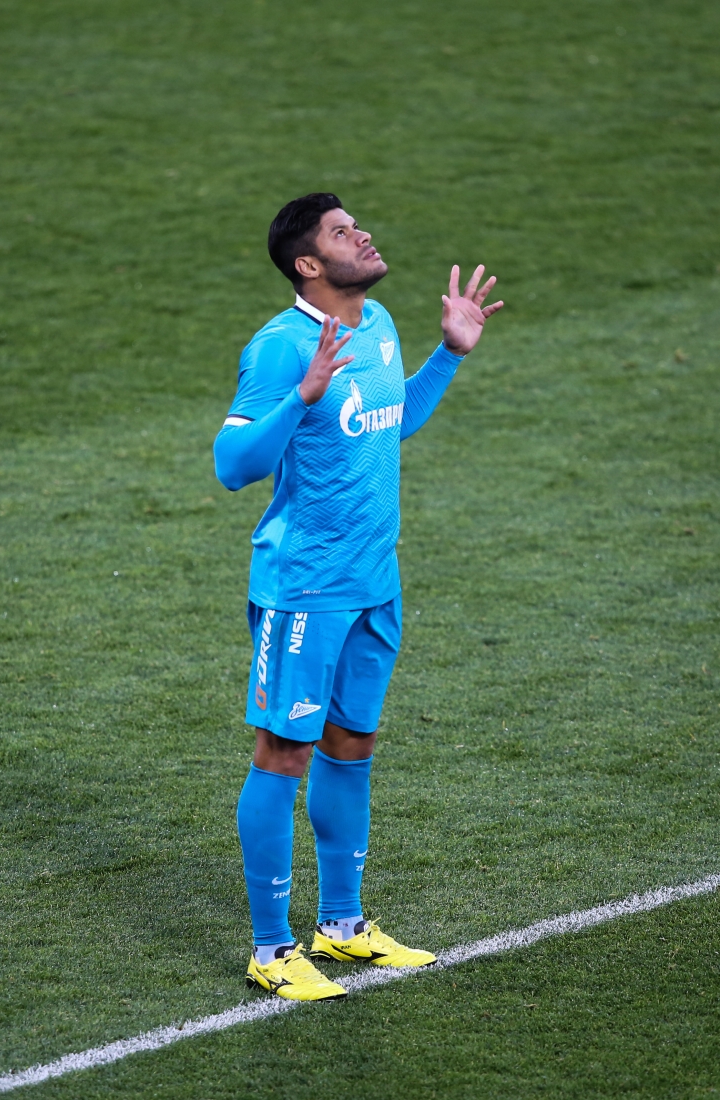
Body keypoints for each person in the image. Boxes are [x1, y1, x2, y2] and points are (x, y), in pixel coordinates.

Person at [212, 193, 503, 1000]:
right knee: (285, 751)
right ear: (309, 263)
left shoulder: (376, 324)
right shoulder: (280, 348)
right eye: (342, 232)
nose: (362, 233)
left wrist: (449, 354)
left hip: (375, 582)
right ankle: (271, 951)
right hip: (305, 588)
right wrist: (300, 396)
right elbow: (232, 466)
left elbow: (389, 421)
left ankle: (341, 928)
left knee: (351, 743)